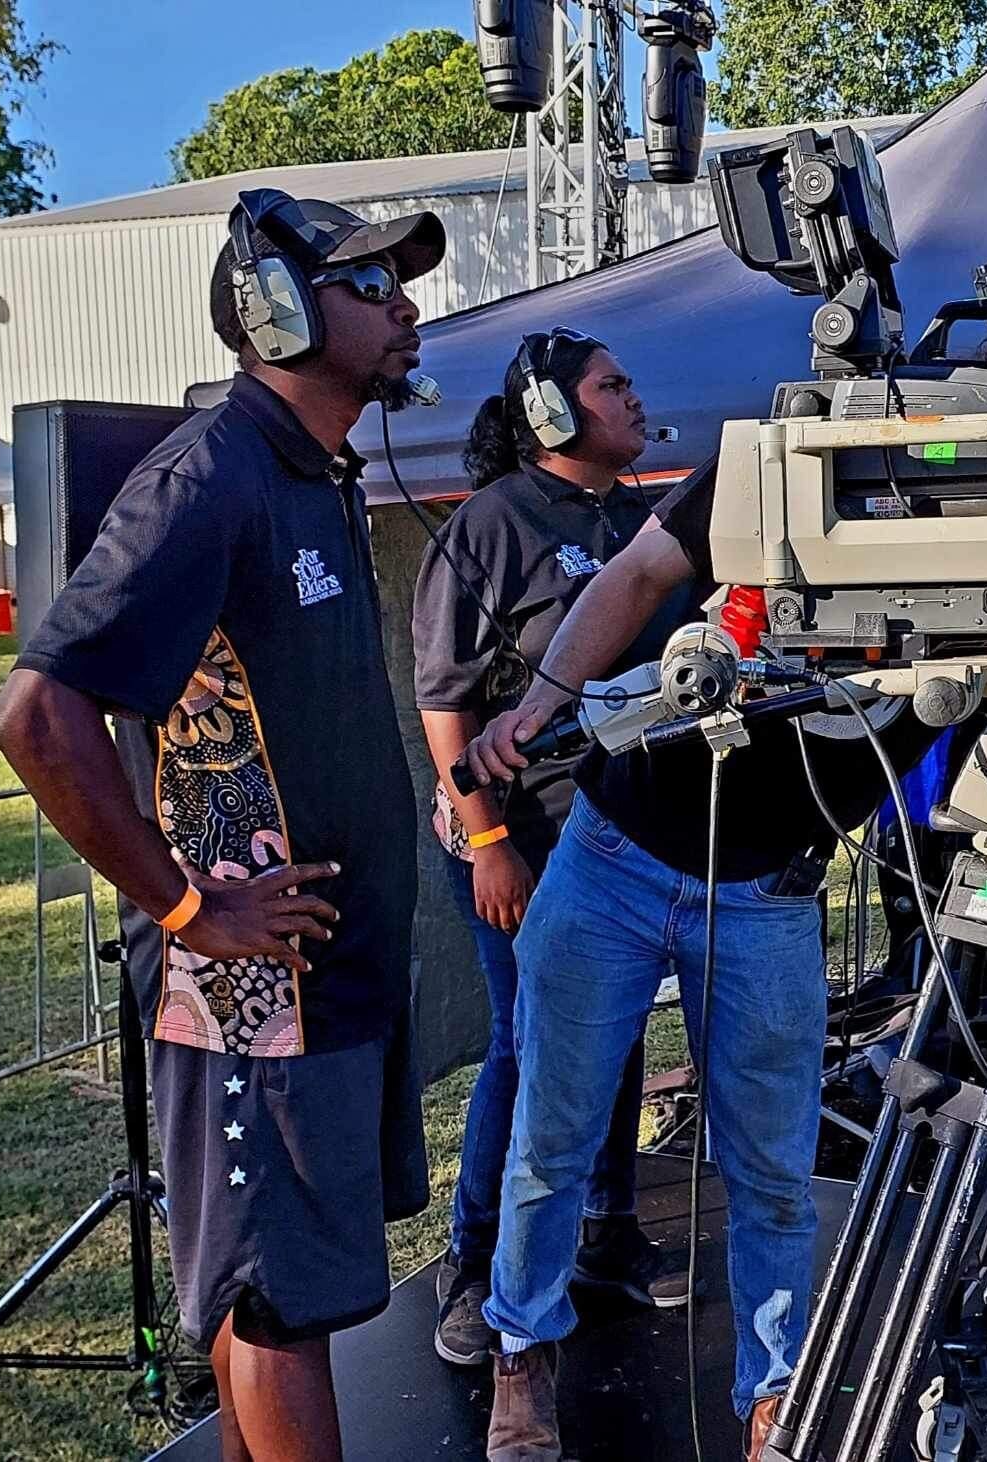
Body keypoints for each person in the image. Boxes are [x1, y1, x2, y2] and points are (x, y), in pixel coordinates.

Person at [0, 189, 444, 1462]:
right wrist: (190, 907)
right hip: (250, 988)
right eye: (371, 286)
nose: (407, 306)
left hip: (325, 976)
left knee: (274, 1292)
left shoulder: (317, 473)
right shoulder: (209, 476)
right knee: (277, 1304)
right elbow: (36, 715)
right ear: (276, 310)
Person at [460, 456, 941, 1462]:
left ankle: (771, 1396)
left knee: (769, 1170)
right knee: (555, 1131)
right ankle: (521, 1343)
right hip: (612, 852)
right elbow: (637, 573)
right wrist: (539, 702)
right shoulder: (786, 458)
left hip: (770, 895)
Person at [412, 329, 692, 1368]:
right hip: (516, 833)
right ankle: (475, 1268)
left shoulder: (636, 519)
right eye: (611, 384)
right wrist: (487, 840)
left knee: (612, 1038)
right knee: (530, 1043)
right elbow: (443, 704)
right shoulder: (486, 525)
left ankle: (604, 1236)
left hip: (618, 828)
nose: (631, 397)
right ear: (549, 410)